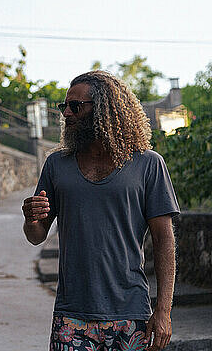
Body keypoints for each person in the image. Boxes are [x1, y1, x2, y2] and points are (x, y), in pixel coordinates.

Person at [22, 71, 179, 351]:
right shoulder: (57, 164)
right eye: (64, 107)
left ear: (105, 108)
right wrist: (30, 218)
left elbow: (164, 240)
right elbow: (36, 236)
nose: (66, 113)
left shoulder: (148, 164)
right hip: (71, 316)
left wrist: (164, 311)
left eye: (76, 106)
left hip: (131, 314)